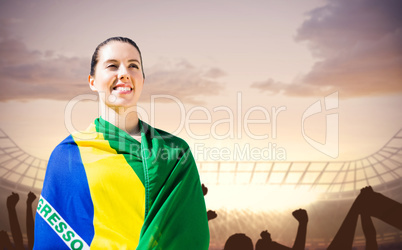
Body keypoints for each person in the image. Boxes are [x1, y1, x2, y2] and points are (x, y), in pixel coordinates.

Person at [34, 37, 209, 249]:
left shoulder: (176, 152)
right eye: (112, 66)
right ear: (92, 81)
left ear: (142, 80)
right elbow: (53, 239)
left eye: (133, 66)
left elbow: (190, 235)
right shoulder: (68, 156)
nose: (124, 73)